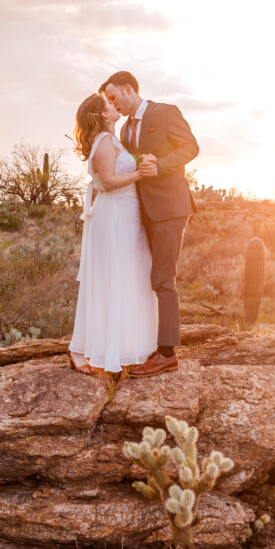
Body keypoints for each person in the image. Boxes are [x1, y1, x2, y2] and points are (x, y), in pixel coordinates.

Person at [100, 70, 199, 376]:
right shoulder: (126, 127)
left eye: (114, 97)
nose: (113, 104)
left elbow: (190, 148)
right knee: (143, 278)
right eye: (108, 101)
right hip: (140, 213)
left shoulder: (165, 112)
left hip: (170, 208)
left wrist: (161, 165)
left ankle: (167, 354)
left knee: (162, 279)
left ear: (129, 89)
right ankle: (144, 343)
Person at [68, 93, 158, 375]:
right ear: (104, 115)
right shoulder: (104, 142)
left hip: (126, 214)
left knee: (128, 277)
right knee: (112, 278)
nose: (113, 104)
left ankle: (124, 345)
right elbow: (107, 182)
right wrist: (140, 174)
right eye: (108, 103)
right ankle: (78, 349)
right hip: (116, 215)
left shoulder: (112, 139)